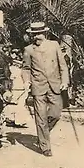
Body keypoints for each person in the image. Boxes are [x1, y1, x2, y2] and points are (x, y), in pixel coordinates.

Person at [22, 21, 69, 157]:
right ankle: (45, 147)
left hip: (55, 85)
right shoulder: (29, 50)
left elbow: (63, 66)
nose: (37, 37)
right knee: (40, 116)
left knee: (56, 114)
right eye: (34, 35)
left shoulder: (54, 46)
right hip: (38, 86)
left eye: (39, 34)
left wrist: (65, 81)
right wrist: (26, 81)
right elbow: (26, 68)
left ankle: (43, 132)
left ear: (45, 33)